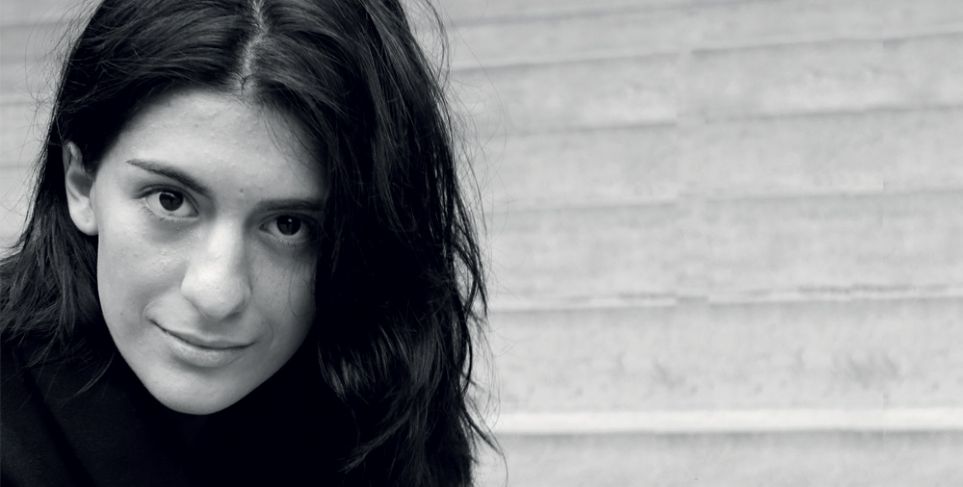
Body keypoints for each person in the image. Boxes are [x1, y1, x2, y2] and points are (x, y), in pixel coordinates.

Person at [0, 0, 493, 485]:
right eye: (171, 200)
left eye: (289, 225)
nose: (216, 294)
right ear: (81, 183)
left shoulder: (383, 406)